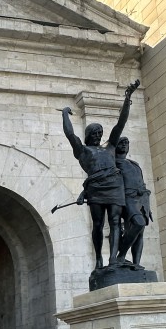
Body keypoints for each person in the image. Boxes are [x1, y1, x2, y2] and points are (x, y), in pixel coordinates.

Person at [61, 80, 139, 268]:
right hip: (96, 188)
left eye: (100, 133)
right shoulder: (83, 151)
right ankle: (98, 258)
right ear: (88, 135)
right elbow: (70, 135)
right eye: (94, 133)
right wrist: (65, 114)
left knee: (115, 221)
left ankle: (113, 258)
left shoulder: (110, 147)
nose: (98, 135)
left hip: (115, 186)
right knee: (97, 224)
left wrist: (127, 98)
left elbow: (121, 123)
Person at [115, 136, 152, 269]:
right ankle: (121, 256)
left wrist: (147, 204)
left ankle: (136, 263)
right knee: (138, 223)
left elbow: (141, 182)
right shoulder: (114, 163)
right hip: (127, 198)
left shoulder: (134, 164)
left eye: (126, 143)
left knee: (140, 231)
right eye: (121, 143)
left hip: (142, 199)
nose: (124, 145)